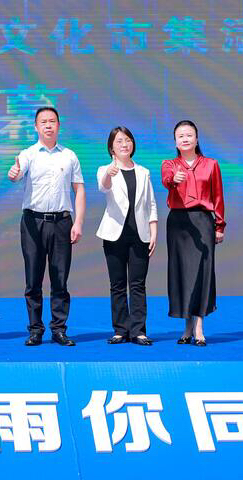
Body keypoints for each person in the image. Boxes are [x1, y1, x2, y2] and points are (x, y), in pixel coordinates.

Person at [7, 106, 84, 347]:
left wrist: (78, 222)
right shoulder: (28, 154)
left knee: (60, 278)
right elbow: (16, 173)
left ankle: (59, 329)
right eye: (43, 122)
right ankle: (35, 330)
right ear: (36, 126)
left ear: (59, 125)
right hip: (33, 222)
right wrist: (14, 173)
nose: (48, 125)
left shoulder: (69, 156)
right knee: (33, 279)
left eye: (52, 121)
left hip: (61, 222)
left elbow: (79, 190)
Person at [161, 120, 225, 347]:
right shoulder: (169, 164)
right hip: (178, 224)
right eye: (180, 136)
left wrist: (219, 226)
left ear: (197, 139)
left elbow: (218, 196)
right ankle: (186, 325)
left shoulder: (211, 164)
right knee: (181, 273)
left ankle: (198, 326)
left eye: (189, 135)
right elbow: (166, 180)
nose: (185, 139)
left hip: (202, 222)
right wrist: (174, 179)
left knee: (201, 273)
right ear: (175, 142)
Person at [95, 126, 158, 346]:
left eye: (128, 140)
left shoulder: (143, 172)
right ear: (111, 147)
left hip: (140, 234)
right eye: (119, 141)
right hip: (114, 235)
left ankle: (139, 330)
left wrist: (154, 230)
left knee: (138, 284)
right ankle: (121, 330)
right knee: (117, 284)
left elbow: (151, 203)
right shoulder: (105, 170)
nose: (124, 144)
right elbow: (103, 187)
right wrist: (109, 174)